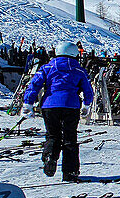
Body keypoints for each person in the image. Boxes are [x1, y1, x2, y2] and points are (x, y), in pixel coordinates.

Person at [21, 42, 93, 182]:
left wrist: (28, 103)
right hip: (71, 105)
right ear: (75, 54)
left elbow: (34, 85)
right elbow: (88, 90)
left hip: (50, 104)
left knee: (52, 134)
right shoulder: (79, 70)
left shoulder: (47, 67)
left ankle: (50, 156)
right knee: (70, 138)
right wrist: (86, 105)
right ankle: (70, 172)